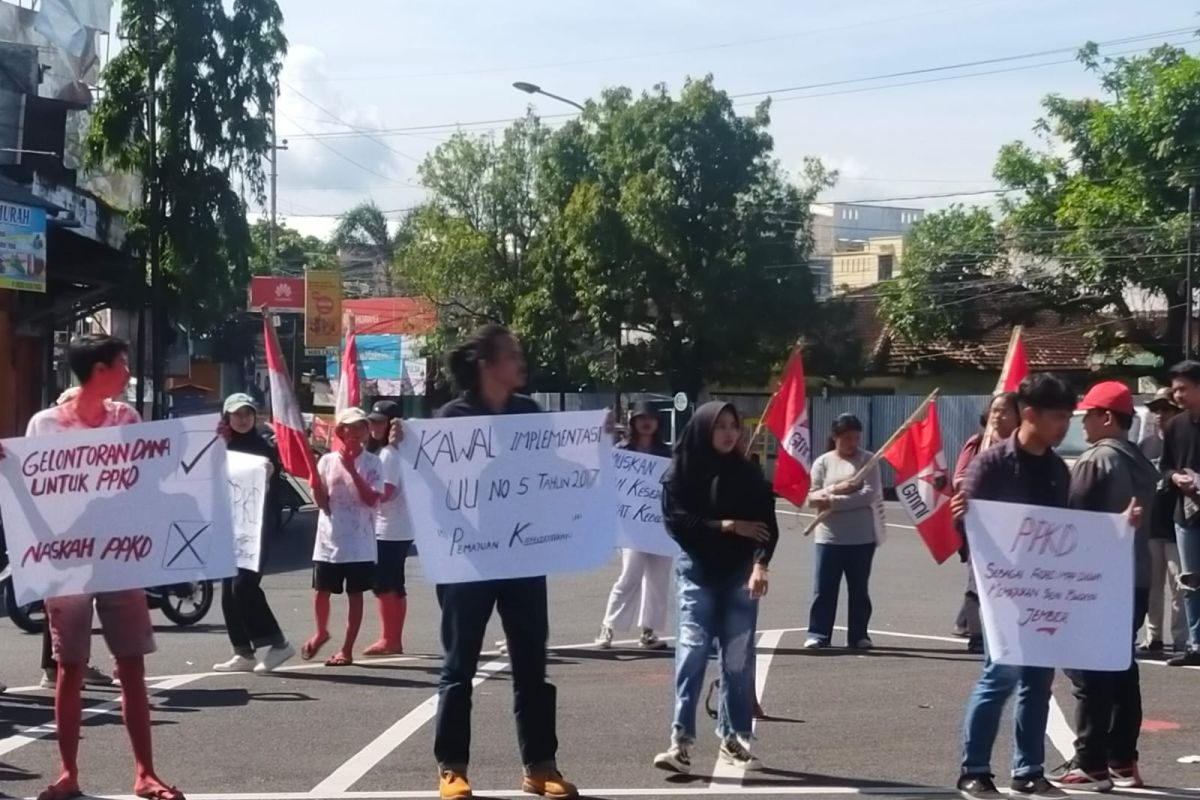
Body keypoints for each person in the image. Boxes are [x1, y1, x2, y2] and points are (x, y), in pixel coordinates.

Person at [0, 334, 183, 800]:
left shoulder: (127, 418)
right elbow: (33, 484)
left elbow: (146, 473)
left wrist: (209, 444)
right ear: (100, 369)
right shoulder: (45, 425)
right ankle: (68, 773)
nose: (126, 371)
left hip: (119, 556)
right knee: (70, 666)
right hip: (67, 561)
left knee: (131, 665)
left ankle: (145, 772)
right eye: (121, 363)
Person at [426, 324, 577, 800]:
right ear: (486, 365)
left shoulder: (528, 414)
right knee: (459, 667)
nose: (521, 362)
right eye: (512, 355)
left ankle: (541, 765)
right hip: (468, 563)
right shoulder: (453, 419)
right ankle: (452, 767)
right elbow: (430, 486)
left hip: (523, 557)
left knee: (531, 664)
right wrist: (401, 443)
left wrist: (593, 445)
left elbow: (554, 471)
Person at [951, 373, 1076, 800]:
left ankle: (1028, 770)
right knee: (999, 675)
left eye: (1068, 416)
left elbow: (1068, 532)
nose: (1065, 425)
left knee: (1039, 681)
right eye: (1059, 417)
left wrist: (1120, 528)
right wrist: (962, 513)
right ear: (1030, 414)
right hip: (999, 590)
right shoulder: (992, 463)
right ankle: (975, 771)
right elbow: (967, 526)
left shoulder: (1058, 469)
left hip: (1043, 592)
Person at [652, 402, 776, 775]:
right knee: (691, 653)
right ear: (704, 428)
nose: (728, 433)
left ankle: (734, 739)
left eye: (733, 426)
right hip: (697, 574)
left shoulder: (748, 473)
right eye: (719, 426)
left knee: (737, 658)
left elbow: (766, 524)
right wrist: (726, 525)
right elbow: (678, 522)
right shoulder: (682, 472)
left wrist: (760, 564)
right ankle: (680, 742)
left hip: (739, 575)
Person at [1048, 381, 1156, 791]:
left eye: (1088, 415)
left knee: (1089, 675)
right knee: (1123, 669)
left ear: (1107, 417)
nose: (1083, 424)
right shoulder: (1141, 462)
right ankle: (1123, 759)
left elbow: (1073, 518)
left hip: (1097, 580)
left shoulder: (1097, 460)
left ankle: (1091, 760)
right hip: (1136, 577)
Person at [213, 393, 295, 674]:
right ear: (227, 417)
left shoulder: (263, 446)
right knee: (227, 592)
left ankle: (279, 643)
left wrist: (270, 472)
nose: (243, 419)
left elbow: (270, 476)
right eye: (237, 414)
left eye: (248, 413)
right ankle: (243, 652)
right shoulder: (218, 444)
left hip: (256, 526)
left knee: (244, 586)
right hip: (227, 526)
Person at [303, 407, 383, 668]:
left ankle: (347, 648)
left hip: (359, 543)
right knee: (321, 591)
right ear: (340, 431)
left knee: (355, 595)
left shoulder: (373, 462)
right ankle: (320, 632)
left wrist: (352, 469)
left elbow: (372, 499)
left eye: (361, 426)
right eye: (350, 427)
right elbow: (323, 503)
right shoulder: (326, 461)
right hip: (328, 540)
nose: (355, 431)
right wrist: (315, 488)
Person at [596, 402, 673, 650]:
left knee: (658, 578)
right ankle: (608, 625)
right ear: (633, 422)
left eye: (651, 417)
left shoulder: (667, 453)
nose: (646, 422)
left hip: (660, 523)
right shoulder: (621, 450)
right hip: (630, 524)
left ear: (658, 422)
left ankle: (648, 631)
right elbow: (605, 475)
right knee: (630, 574)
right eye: (641, 418)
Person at [804, 413, 883, 650]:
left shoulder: (869, 461)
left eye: (856, 438)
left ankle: (859, 635)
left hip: (862, 538)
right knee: (824, 589)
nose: (853, 443)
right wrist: (839, 489)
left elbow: (868, 495)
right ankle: (818, 634)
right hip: (828, 537)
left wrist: (834, 501)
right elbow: (812, 497)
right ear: (835, 437)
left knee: (859, 589)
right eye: (847, 438)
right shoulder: (823, 462)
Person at [952, 393, 1020, 654]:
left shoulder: (1026, 451)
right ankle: (977, 636)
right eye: (995, 411)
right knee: (977, 581)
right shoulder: (978, 444)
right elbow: (959, 478)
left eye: (1005, 411)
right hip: (980, 526)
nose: (999, 416)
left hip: (1015, 531)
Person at [1156, 360, 1200, 667]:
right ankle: (1195, 644)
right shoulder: (1175, 426)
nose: (1178, 395)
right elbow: (1165, 465)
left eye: (1183, 388)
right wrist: (1175, 478)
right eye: (1175, 389)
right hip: (1186, 514)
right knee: (1190, 581)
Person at [363, 400, 411, 657]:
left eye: (380, 422)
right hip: (390, 526)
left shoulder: (390, 454)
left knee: (386, 583)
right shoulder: (384, 452)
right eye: (372, 421)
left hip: (390, 527)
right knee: (390, 582)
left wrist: (360, 497)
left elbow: (387, 492)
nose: (374, 427)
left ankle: (390, 638)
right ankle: (391, 637)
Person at [1141, 387, 1187, 654]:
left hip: (1177, 523)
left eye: (1166, 409)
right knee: (1151, 586)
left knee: (1179, 585)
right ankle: (1153, 636)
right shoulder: (1146, 445)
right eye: (1156, 410)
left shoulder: (1185, 439)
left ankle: (1181, 639)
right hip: (1151, 525)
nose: (1160, 415)